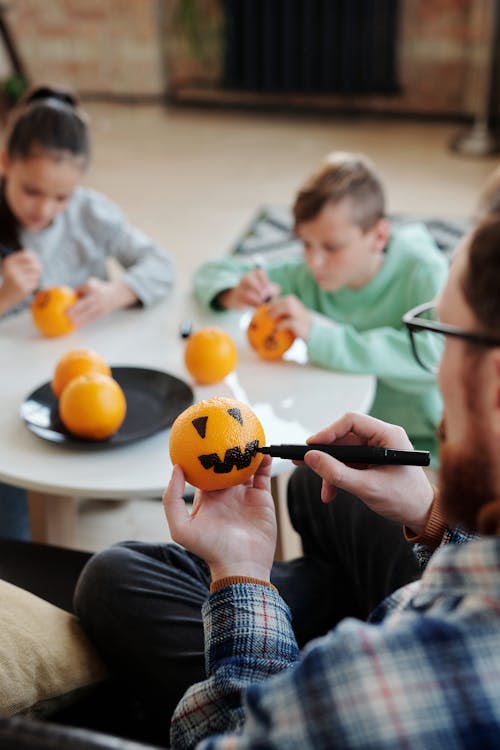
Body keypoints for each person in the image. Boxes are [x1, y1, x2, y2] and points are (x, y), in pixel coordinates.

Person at [166, 212, 500, 748]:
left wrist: (242, 574)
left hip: (341, 674)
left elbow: (223, 735)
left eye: (439, 335)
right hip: (422, 588)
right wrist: (431, 517)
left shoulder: (377, 684)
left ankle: (297, 617)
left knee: (118, 577)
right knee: (311, 489)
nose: (437, 370)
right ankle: (319, 600)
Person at [0, 85, 176, 539]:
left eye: (61, 197)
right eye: (31, 191)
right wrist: (4, 295)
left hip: (87, 369)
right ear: (5, 162)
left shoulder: (91, 214)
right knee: (13, 492)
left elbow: (161, 265)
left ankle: (94, 486)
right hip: (10, 380)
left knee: (121, 438)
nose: (45, 209)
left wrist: (118, 291)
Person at [192, 151, 448, 460]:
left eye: (331, 247)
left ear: (379, 236)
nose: (315, 261)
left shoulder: (422, 271)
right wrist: (232, 291)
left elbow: (438, 355)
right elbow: (211, 272)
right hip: (336, 430)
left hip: (415, 443)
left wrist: (320, 336)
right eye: (306, 244)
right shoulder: (307, 275)